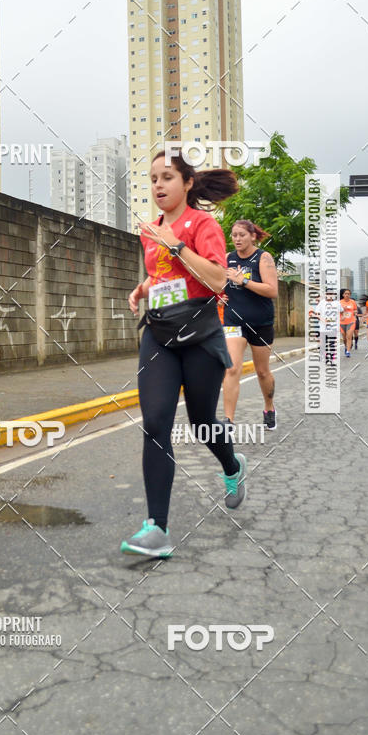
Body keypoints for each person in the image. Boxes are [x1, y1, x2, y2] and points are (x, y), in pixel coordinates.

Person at [122, 151, 244, 559]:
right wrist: (143, 289)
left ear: (187, 183)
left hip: (199, 333)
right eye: (153, 178)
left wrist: (176, 245)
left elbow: (216, 279)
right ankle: (157, 529)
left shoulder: (202, 224)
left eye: (167, 177)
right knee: (155, 421)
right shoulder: (149, 230)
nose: (158, 185)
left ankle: (232, 466)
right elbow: (163, 275)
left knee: (202, 423)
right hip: (159, 333)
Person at [221, 220, 279, 430]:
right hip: (233, 320)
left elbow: (272, 290)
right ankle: (228, 420)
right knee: (231, 368)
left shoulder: (263, 258)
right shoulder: (227, 258)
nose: (237, 239)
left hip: (260, 322)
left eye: (242, 235)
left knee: (262, 371)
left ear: (253, 236)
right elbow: (218, 283)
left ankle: (269, 407)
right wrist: (219, 295)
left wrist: (243, 281)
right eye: (234, 235)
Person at [339, 288, 358, 357]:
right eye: (346, 294)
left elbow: (355, 310)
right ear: (343, 295)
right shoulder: (339, 302)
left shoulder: (353, 302)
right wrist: (343, 310)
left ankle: (348, 351)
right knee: (344, 338)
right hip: (342, 322)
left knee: (349, 336)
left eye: (348, 294)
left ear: (350, 295)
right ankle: (346, 346)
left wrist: (355, 313)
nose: (347, 295)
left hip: (351, 321)